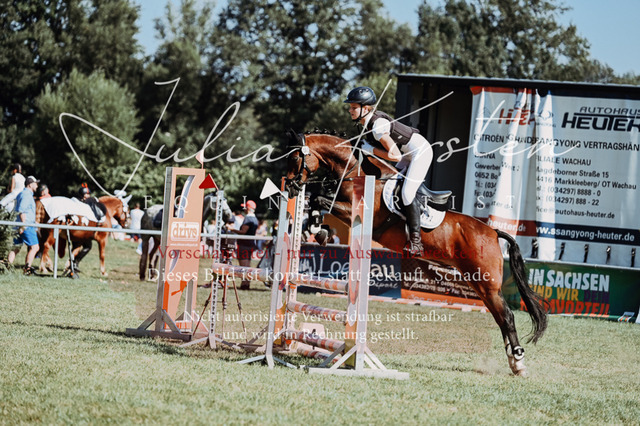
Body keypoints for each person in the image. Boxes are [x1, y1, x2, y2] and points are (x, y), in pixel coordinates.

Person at [345, 86, 433, 256]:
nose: (350, 110)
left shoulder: (378, 126)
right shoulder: (366, 124)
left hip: (420, 152)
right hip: (407, 154)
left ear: (366, 109)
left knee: (407, 193)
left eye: (354, 107)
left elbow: (395, 156)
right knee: (388, 187)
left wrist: (370, 150)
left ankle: (416, 242)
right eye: (350, 107)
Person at [7, 176, 40, 275]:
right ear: (30, 184)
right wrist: (23, 225)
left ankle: (7, 267)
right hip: (26, 226)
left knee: (16, 247)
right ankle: (27, 269)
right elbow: (22, 211)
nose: (37, 186)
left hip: (21, 225)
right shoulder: (26, 195)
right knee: (35, 247)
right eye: (35, 183)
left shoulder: (22, 193)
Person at [226, 200, 259, 290]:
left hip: (244, 244)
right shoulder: (255, 219)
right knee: (247, 264)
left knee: (244, 265)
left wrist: (231, 229)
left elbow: (243, 231)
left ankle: (245, 284)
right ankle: (246, 283)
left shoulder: (248, 218)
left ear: (248, 208)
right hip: (250, 244)